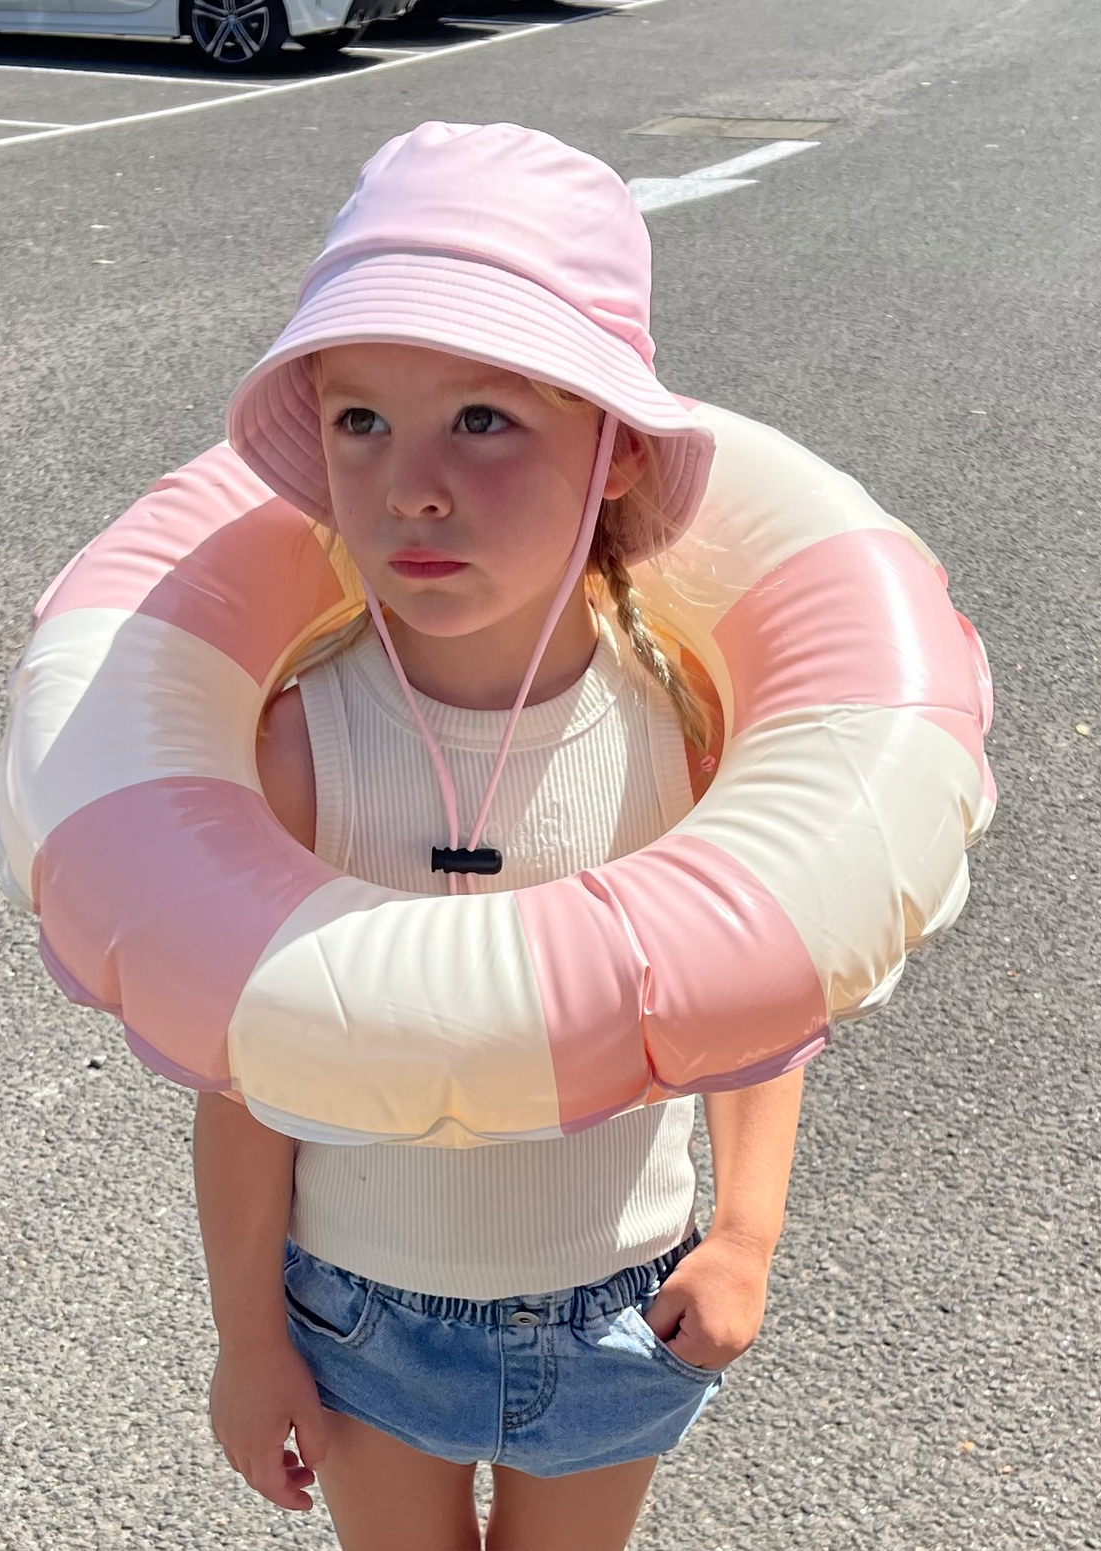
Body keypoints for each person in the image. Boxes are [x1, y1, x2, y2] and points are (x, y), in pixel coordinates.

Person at [192, 121, 806, 1551]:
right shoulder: (302, 746)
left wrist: (745, 1232)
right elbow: (245, 1074)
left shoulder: (676, 726)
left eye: (483, 418)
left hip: (619, 1297)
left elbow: (756, 1004)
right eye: (360, 419)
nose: (410, 484)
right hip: (362, 1302)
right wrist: (246, 1337)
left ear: (614, 449)